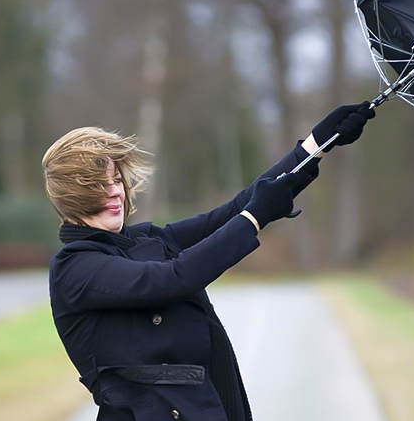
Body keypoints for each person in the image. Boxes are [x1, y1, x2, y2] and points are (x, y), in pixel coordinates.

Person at [43, 102, 376, 421]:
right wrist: (254, 217)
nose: (115, 192)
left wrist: (316, 147)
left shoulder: (144, 240)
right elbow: (172, 279)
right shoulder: (74, 269)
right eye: (99, 185)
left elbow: (232, 211)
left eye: (116, 180)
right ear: (73, 196)